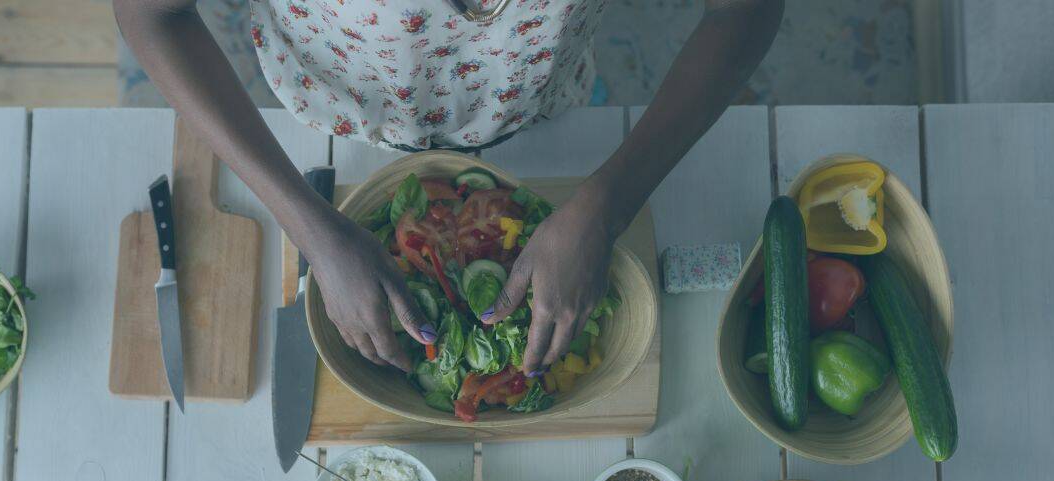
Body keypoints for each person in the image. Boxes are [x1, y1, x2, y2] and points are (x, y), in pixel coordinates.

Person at [114, 0, 783, 374]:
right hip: (331, 108)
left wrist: (610, 202)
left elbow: (745, 10)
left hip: (539, 102)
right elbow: (153, 16)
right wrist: (307, 225)